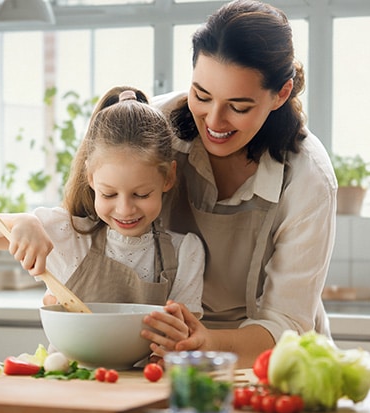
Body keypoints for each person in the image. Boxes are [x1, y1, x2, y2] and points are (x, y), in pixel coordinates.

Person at [141, 0, 337, 367]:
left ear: (281, 94)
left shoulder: (307, 175)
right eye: (201, 95)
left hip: (272, 363)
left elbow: (286, 323)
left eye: (239, 106)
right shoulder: (156, 128)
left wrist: (207, 341)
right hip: (169, 354)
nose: (214, 120)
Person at [0, 86, 204, 322]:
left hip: (146, 375)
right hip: (70, 373)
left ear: (168, 177)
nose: (125, 209)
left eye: (142, 195)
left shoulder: (185, 252)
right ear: (90, 177)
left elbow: (185, 333)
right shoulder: (66, 235)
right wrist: (23, 221)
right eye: (109, 194)